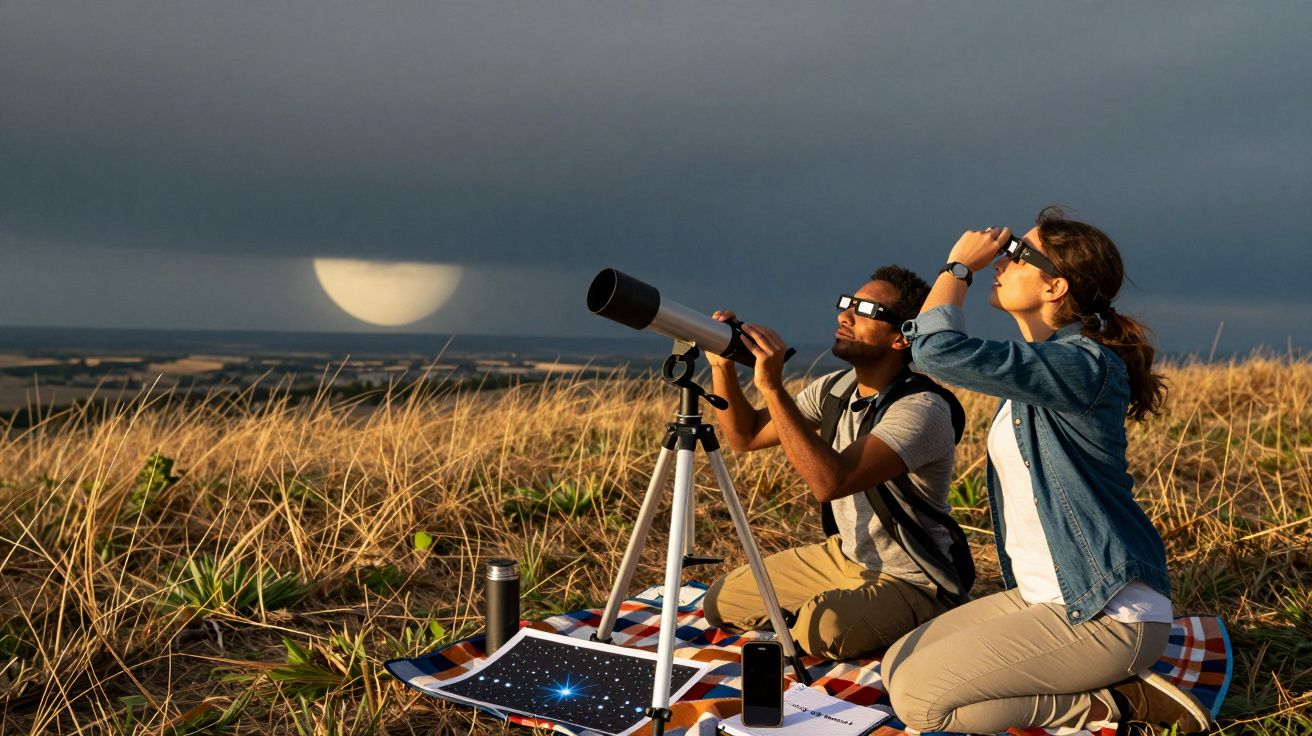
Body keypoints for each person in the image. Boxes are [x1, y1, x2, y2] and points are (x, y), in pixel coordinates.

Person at [882, 208, 1211, 735]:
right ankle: (1102, 691)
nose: (1001, 261)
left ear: (1055, 286)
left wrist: (957, 268)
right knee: (896, 664)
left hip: (1107, 612)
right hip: (1045, 594)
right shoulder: (1040, 373)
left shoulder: (1084, 365)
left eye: (1017, 255)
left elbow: (937, 351)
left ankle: (1116, 704)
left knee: (921, 700)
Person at [701, 265, 970, 661]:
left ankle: (924, 615)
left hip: (913, 577)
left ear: (901, 338)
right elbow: (746, 437)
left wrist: (772, 386)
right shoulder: (834, 388)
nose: (845, 316)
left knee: (818, 632)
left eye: (865, 311)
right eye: (848, 303)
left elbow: (832, 481)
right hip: (844, 554)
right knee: (719, 604)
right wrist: (721, 365)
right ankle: (846, 606)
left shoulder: (922, 409)